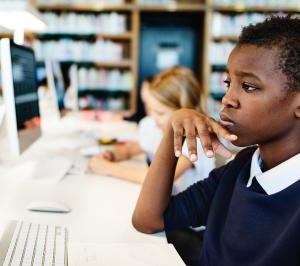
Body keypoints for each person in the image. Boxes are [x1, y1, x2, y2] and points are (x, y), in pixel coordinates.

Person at [132, 16, 300, 265]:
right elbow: (148, 220)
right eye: (229, 83)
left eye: (249, 86)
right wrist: (172, 132)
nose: (228, 99)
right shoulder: (240, 168)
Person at [88, 66, 215, 195]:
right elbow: (132, 149)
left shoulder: (195, 140)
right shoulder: (153, 125)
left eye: (160, 113)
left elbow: (158, 180)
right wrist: (112, 155)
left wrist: (107, 168)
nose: (153, 117)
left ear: (185, 111)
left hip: (190, 210)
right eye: (151, 109)